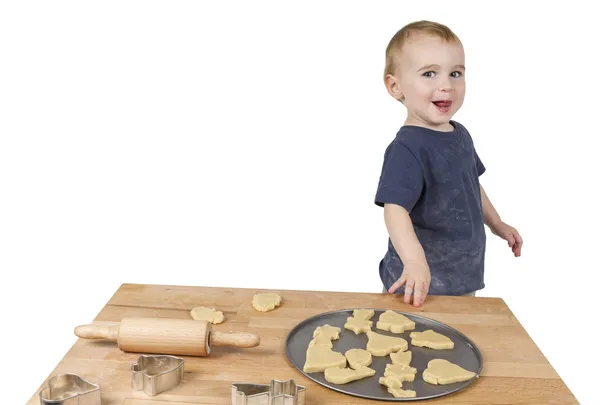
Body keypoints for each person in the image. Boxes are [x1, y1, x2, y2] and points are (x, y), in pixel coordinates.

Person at [374, 20, 522, 307]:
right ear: (395, 87)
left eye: (456, 73)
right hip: (416, 282)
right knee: (404, 342)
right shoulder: (407, 148)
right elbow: (394, 210)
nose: (446, 85)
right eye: (429, 73)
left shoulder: (460, 134)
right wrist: (414, 262)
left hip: (461, 274)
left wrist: (496, 223)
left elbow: (470, 186)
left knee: (450, 345)